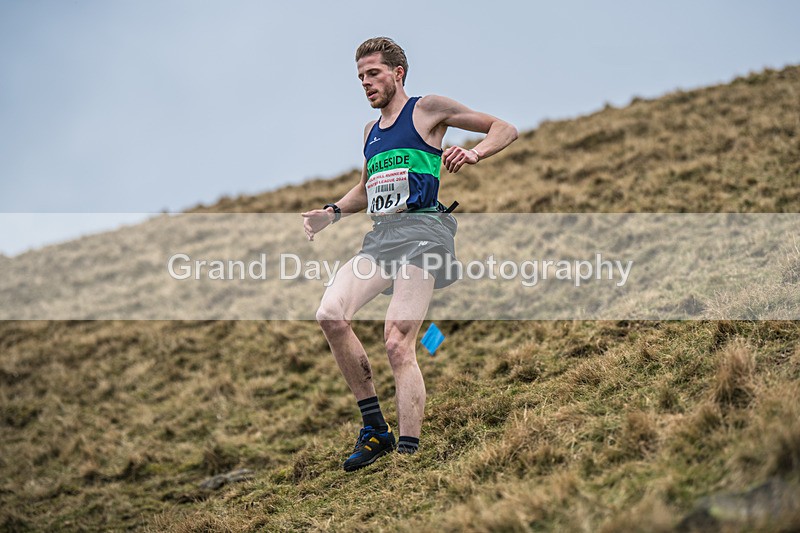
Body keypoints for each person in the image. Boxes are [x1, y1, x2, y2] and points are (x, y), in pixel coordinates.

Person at [301, 37, 517, 471]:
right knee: (330, 314)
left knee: (398, 341)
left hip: (425, 233)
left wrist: (473, 152)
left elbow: (504, 128)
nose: (365, 83)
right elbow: (366, 188)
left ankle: (408, 451)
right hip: (383, 238)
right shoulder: (369, 133)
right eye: (360, 76)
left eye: (373, 73)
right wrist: (332, 212)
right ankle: (375, 429)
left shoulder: (427, 109)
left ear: (398, 73)